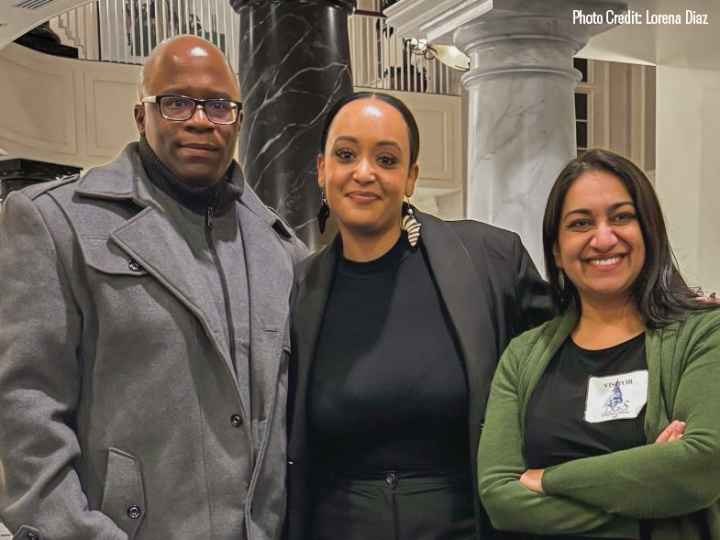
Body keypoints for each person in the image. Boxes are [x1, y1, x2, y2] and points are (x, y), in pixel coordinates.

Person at [0, 35, 306, 540]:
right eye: (177, 102)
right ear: (142, 115)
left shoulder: (281, 248)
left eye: (218, 106)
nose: (200, 120)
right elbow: (25, 413)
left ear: (239, 118)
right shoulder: (57, 223)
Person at [286, 91, 553, 540]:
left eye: (386, 160)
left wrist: (673, 317)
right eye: (346, 154)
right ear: (321, 170)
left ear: (410, 177)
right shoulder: (298, 288)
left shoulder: (490, 259)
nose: (364, 172)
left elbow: (577, 345)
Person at [477, 149, 720, 540]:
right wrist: (652, 494)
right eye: (580, 223)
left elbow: (702, 467)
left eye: (621, 217)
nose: (603, 238)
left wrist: (545, 480)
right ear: (556, 250)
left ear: (649, 230)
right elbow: (499, 498)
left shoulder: (704, 334)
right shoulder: (522, 356)